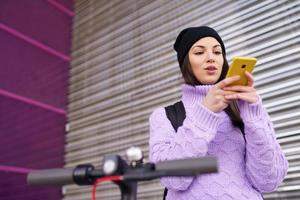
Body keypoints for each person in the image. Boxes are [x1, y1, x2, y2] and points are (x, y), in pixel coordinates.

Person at [148, 26, 288, 200]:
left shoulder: (243, 109)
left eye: (217, 52)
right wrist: (205, 113)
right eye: (199, 53)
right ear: (185, 63)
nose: (210, 58)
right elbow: (173, 179)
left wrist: (254, 116)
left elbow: (268, 181)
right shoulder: (165, 116)